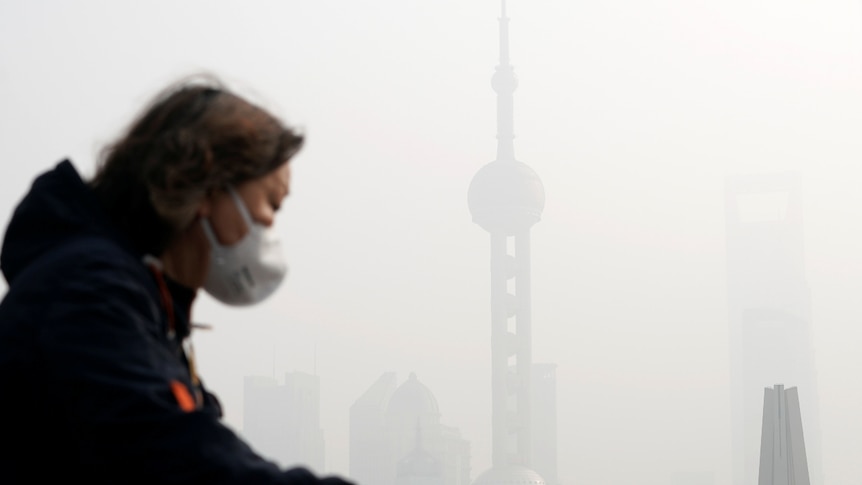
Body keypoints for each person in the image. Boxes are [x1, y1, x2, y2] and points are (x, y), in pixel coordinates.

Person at [0, 76, 355, 484]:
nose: (270, 225)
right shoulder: (88, 293)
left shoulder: (137, 302)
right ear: (207, 187)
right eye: (271, 203)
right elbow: (184, 460)